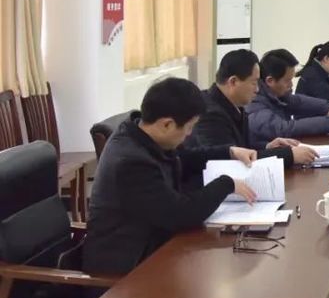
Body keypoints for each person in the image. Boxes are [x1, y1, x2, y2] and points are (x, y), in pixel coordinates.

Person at [83, 78, 258, 277]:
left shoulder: (143, 133)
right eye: (189, 127)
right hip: (127, 271)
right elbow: (180, 214)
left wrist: (229, 152)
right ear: (167, 124)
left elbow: (183, 157)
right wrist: (226, 184)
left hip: (157, 247)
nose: (189, 134)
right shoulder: (132, 162)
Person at [186, 49, 319, 166]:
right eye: (254, 83)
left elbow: (243, 149)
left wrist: (268, 147)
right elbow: (230, 160)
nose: (257, 89)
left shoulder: (234, 104)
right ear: (233, 82)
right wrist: (289, 155)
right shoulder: (210, 113)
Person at [247, 48, 329, 149]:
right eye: (287, 81)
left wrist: (328, 109)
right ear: (270, 81)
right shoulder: (254, 102)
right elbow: (283, 129)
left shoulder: (276, 94)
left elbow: (298, 101)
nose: (291, 85)